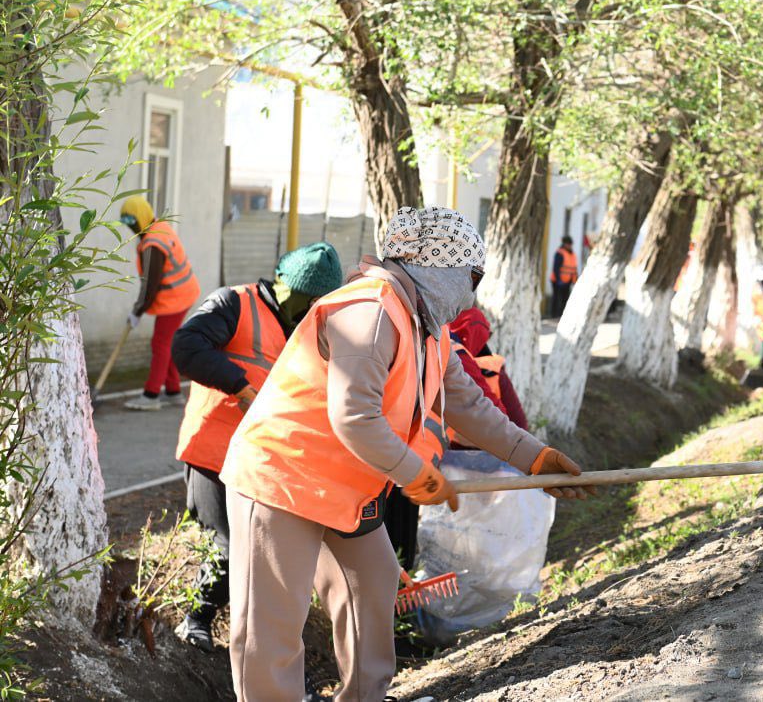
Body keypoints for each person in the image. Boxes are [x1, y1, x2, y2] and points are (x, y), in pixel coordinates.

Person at [218, 206, 593, 702]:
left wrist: (535, 458)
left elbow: (469, 405)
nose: (471, 292)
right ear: (436, 267)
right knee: (271, 626)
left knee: (371, 586)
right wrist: (416, 474)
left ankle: (365, 697)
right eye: (470, 276)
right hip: (281, 478)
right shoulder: (370, 310)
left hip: (345, 486)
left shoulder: (426, 329)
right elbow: (353, 415)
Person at [169, 242, 344, 653]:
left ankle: (258, 645)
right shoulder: (234, 303)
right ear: (288, 287)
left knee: (260, 554)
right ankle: (195, 620)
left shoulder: (310, 329)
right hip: (214, 451)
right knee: (228, 546)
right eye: (309, 301)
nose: (312, 310)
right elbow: (186, 348)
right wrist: (240, 386)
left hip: (265, 463)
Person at [384, 306, 529, 571]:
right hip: (487, 460)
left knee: (445, 535)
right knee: (477, 535)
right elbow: (515, 421)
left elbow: (476, 408)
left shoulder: (443, 351)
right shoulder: (478, 360)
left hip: (430, 461)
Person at [119, 195, 201, 411]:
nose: (130, 227)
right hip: (182, 294)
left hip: (176, 297)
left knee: (160, 344)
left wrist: (138, 310)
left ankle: (151, 394)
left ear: (142, 216)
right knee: (167, 342)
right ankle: (174, 392)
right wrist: (139, 308)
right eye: (125, 222)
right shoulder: (157, 228)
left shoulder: (153, 244)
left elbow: (149, 287)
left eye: (132, 221)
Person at [550, 235, 577, 317]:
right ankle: (554, 315)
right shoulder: (560, 253)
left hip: (568, 281)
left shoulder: (572, 255)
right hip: (557, 281)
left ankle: (562, 315)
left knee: (565, 299)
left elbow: (574, 268)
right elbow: (556, 268)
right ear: (565, 244)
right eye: (568, 244)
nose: (570, 246)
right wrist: (558, 280)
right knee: (556, 298)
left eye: (571, 244)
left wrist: (575, 280)